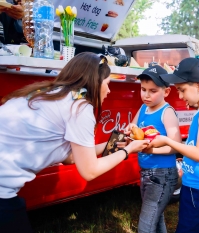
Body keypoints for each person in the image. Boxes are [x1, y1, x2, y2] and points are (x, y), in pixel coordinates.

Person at [0, 52, 149, 233]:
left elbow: (72, 157)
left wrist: (117, 145)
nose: (109, 91)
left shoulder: (50, 93)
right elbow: (89, 171)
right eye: (108, 84)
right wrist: (128, 151)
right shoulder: (80, 107)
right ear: (95, 81)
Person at [148, 57, 199, 233]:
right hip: (195, 184)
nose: (180, 96)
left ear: (198, 86)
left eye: (182, 90)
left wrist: (167, 140)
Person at [124, 65, 181, 233]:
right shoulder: (143, 108)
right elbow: (134, 129)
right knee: (156, 220)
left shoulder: (167, 112)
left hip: (162, 174)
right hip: (146, 172)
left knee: (145, 226)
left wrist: (152, 151)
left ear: (167, 92)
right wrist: (130, 131)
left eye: (153, 91)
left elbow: (174, 145)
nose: (146, 95)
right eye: (143, 89)